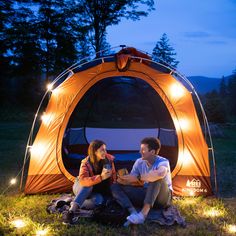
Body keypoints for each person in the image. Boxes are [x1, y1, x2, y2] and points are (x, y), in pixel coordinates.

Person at [111, 137, 173, 225]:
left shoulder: (163, 162)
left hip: (162, 198)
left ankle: (142, 215)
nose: (140, 152)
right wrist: (122, 180)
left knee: (156, 178)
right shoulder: (139, 162)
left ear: (152, 152)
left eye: (143, 150)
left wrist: (139, 178)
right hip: (146, 194)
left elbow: (160, 174)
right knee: (114, 186)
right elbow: (133, 180)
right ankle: (133, 212)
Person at [63, 139, 116, 224]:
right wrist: (101, 177)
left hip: (94, 191)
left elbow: (113, 178)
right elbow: (83, 181)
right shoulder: (85, 162)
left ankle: (74, 202)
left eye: (105, 149)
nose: (105, 152)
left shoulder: (109, 160)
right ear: (95, 152)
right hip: (81, 186)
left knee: (99, 201)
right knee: (88, 186)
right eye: (102, 150)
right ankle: (71, 212)